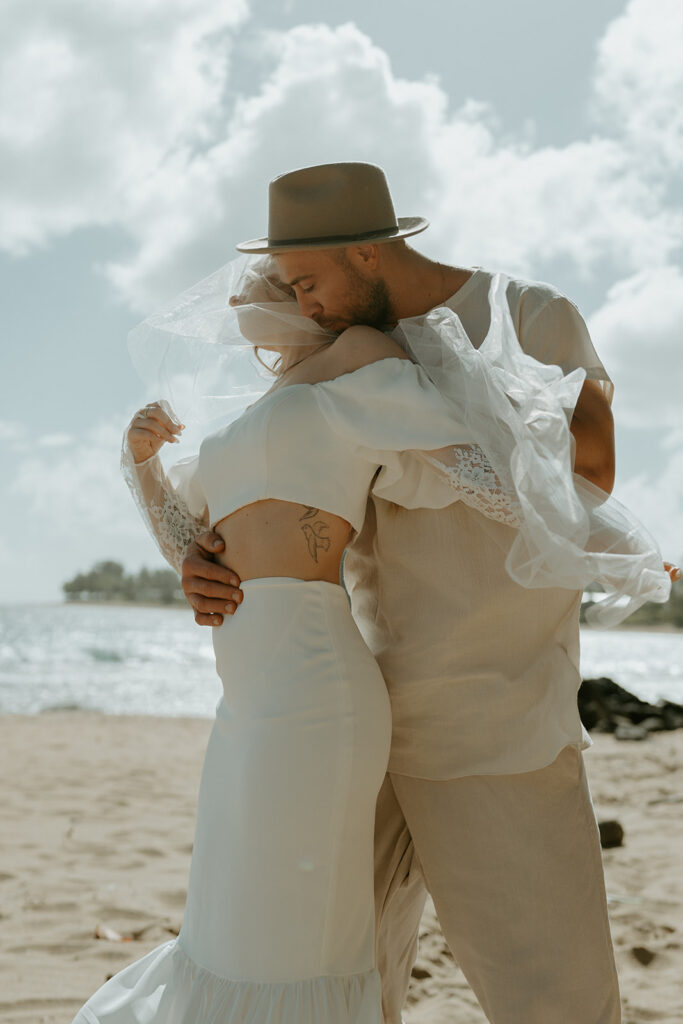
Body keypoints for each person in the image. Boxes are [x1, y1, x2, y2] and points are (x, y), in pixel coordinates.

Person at [178, 162, 679, 1024]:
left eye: (312, 280)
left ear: (370, 251)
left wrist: (434, 403)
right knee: (339, 989)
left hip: (499, 724)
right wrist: (209, 559)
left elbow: (592, 472)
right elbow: (286, 485)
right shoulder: (327, 347)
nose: (308, 303)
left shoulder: (530, 314)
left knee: (552, 1002)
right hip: (353, 722)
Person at [74, 237, 564, 1021]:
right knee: (230, 918)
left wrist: (574, 512)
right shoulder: (254, 413)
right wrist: (141, 465)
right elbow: (191, 546)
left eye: (283, 278)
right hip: (244, 695)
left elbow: (490, 482)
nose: (240, 295)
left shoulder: (358, 357)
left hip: (314, 683)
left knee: (284, 935)